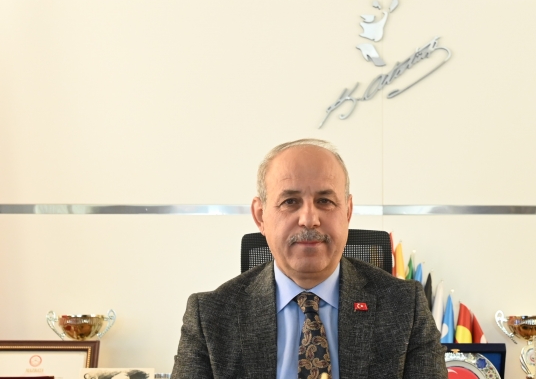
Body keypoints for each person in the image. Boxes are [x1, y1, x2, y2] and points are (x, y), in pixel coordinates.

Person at [171, 139, 447, 379]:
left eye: (325, 201)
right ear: (260, 215)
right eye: (290, 201)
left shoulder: (404, 307)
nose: (309, 219)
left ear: (347, 212)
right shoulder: (210, 317)